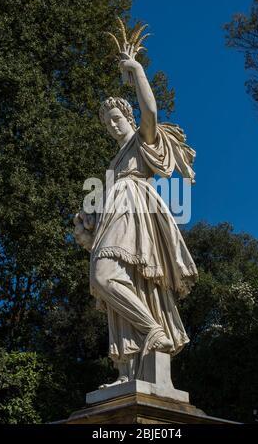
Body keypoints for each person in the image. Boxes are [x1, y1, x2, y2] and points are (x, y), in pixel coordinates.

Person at [74, 52, 198, 388]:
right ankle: (127, 372)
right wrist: (89, 224)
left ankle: (151, 328)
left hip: (136, 210)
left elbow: (151, 111)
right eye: (108, 122)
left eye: (117, 117)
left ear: (128, 117)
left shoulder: (141, 139)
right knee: (126, 283)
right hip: (118, 214)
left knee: (103, 275)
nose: (112, 124)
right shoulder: (115, 163)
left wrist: (138, 70)